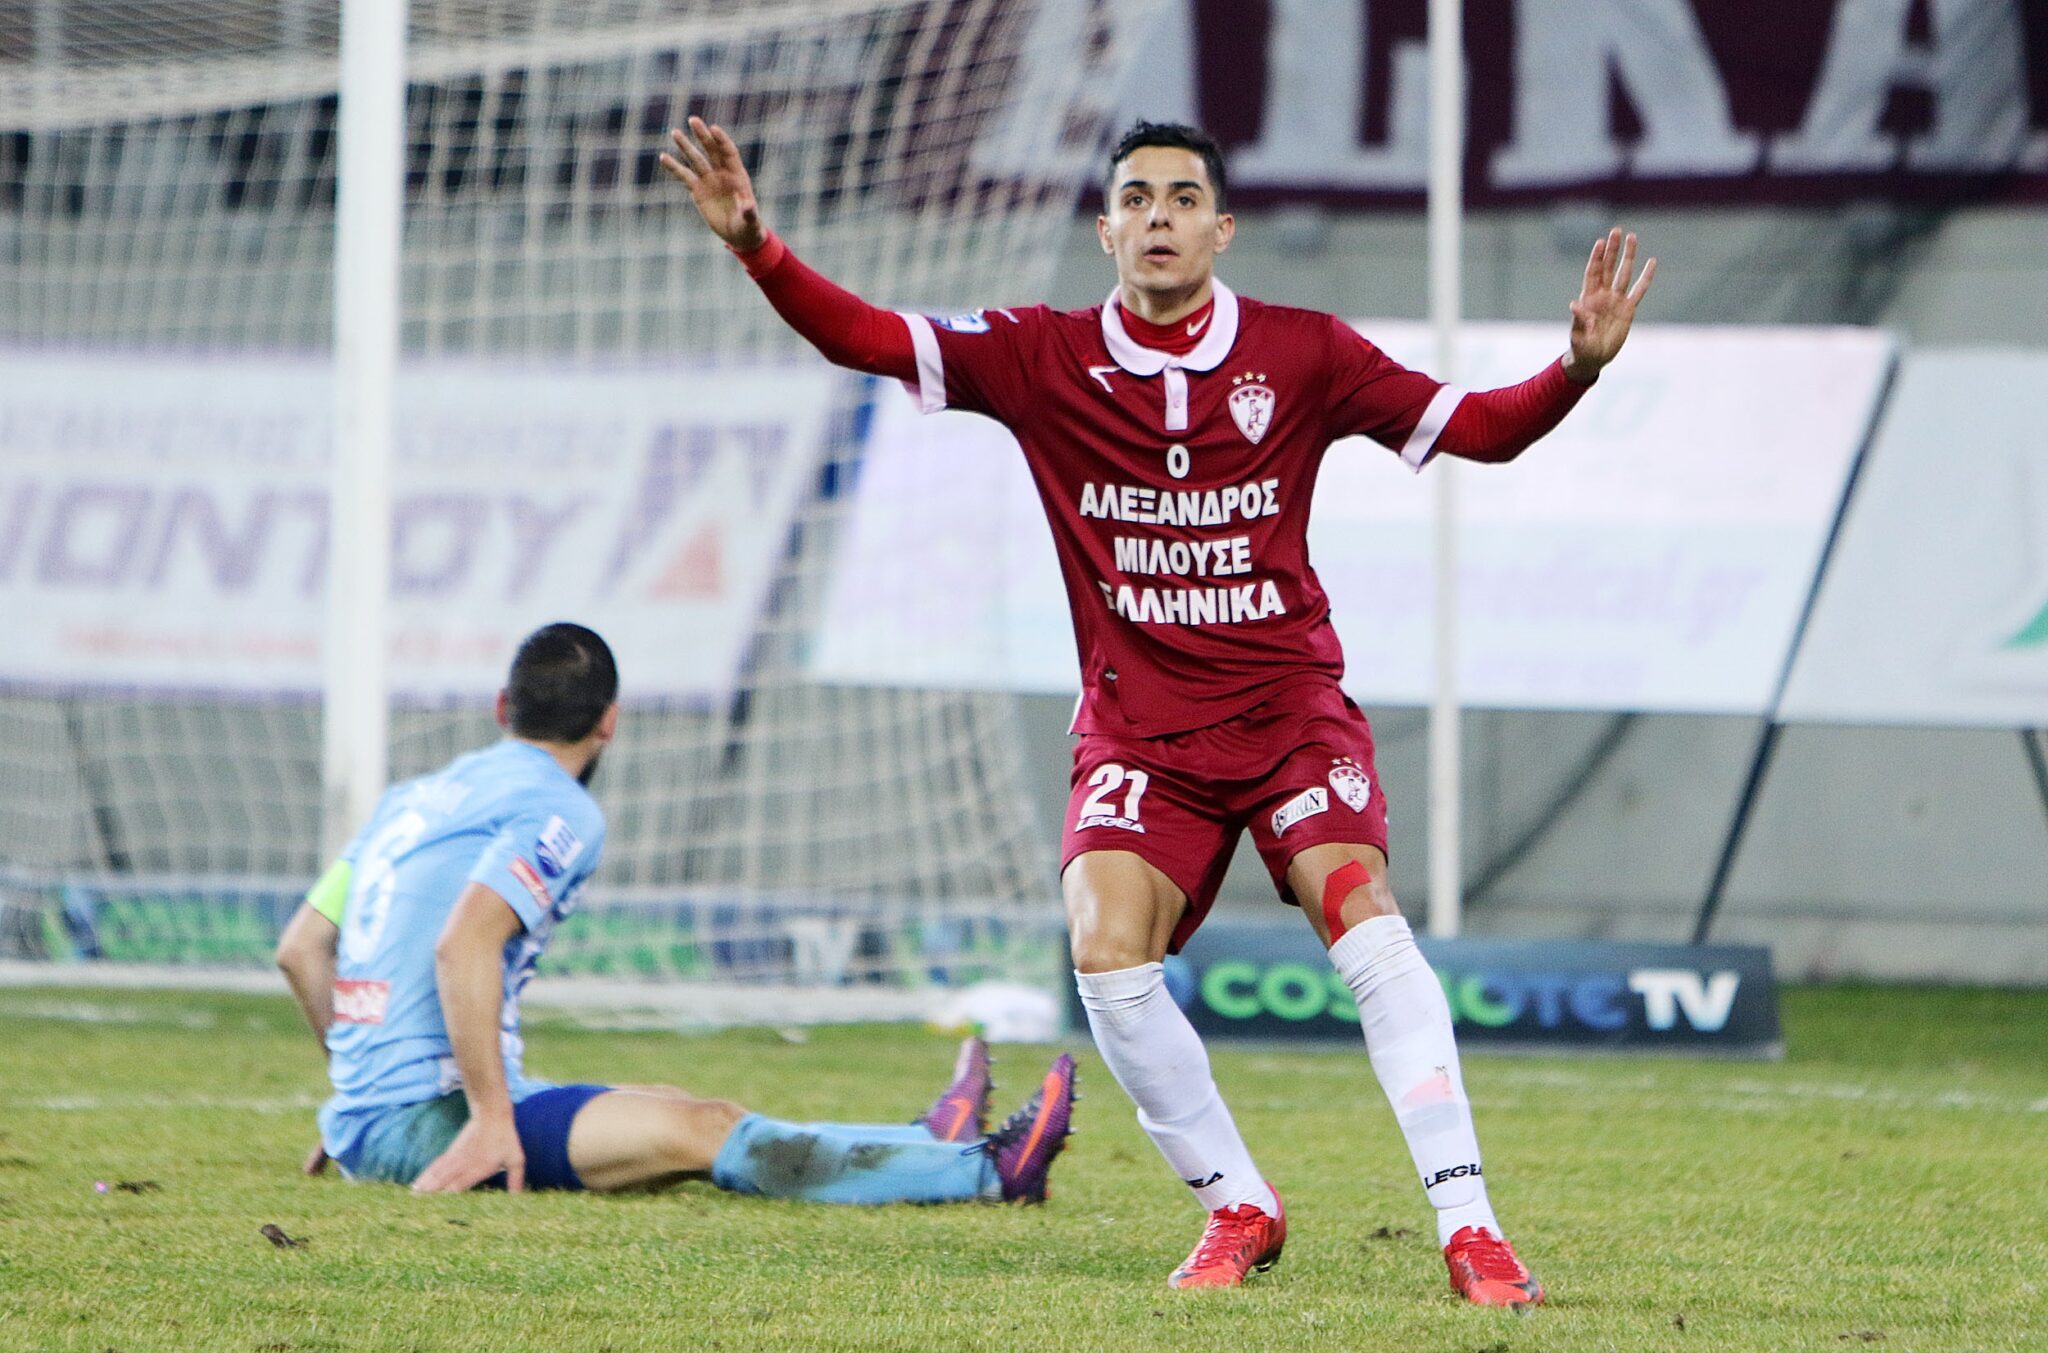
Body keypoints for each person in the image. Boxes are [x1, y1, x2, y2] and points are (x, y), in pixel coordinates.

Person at [662, 115, 1655, 1301]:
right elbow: (867, 336)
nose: (1157, 218)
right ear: (1105, 230)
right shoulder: (1039, 355)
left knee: (1362, 918)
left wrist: (1574, 369)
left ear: (1220, 229)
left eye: (1182, 199)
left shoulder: (1304, 352)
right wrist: (758, 248)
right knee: (1102, 950)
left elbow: (1477, 430)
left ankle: (1469, 1228)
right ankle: (1236, 1204)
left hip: (1287, 715)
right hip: (1140, 733)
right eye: (1134, 199)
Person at [275, 621, 1074, 1202]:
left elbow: (302, 947)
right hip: (430, 1120)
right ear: (609, 720)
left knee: (665, 1101)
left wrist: (360, 1094)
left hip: (385, 1115)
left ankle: (927, 1141)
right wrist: (483, 1118)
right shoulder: (557, 805)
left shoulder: (412, 797)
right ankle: (986, 1172)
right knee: (701, 1127)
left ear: (502, 706)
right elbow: (463, 947)